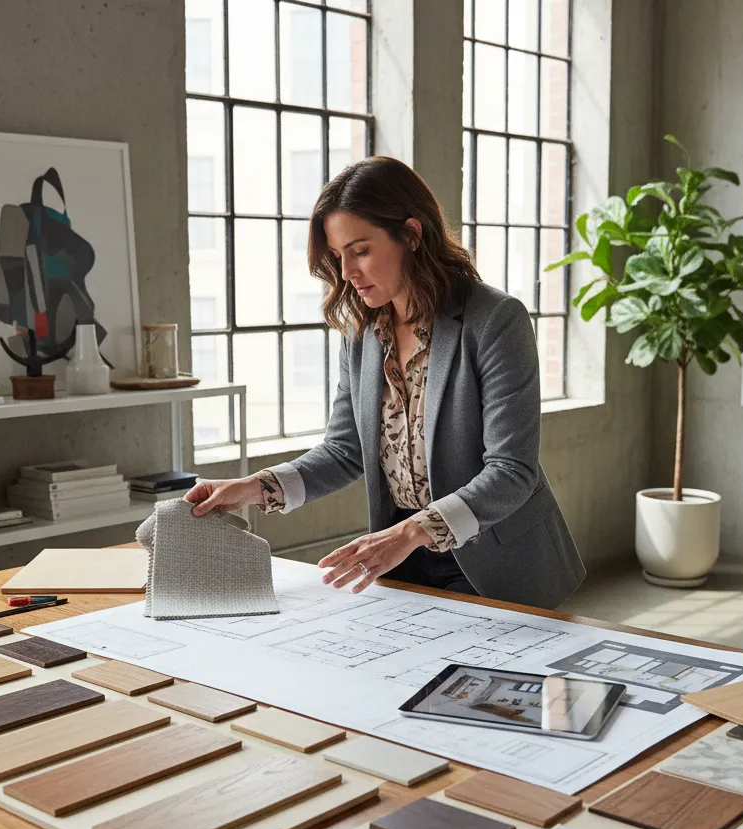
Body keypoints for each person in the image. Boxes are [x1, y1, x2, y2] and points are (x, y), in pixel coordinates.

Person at [185, 156, 585, 609]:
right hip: (400, 556)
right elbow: (344, 451)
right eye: (338, 256)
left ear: (412, 234)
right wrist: (252, 487)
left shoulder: (495, 321)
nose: (347, 272)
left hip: (493, 562)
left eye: (360, 250)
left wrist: (412, 531)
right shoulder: (362, 334)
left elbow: (512, 472)